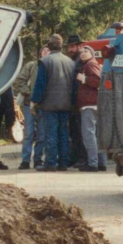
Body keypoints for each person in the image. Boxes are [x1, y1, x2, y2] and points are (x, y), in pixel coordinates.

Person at [31, 34, 75, 171]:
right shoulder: (70, 62)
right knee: (63, 134)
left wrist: (34, 101)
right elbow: (74, 86)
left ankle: (50, 163)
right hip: (66, 104)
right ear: (62, 46)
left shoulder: (45, 61)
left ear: (50, 46)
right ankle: (63, 163)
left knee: (51, 134)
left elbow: (40, 84)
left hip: (49, 105)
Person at [13, 46, 49, 170]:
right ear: (40, 53)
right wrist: (29, 93)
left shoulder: (52, 67)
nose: (46, 52)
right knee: (28, 133)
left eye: (49, 50)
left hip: (44, 106)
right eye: (44, 50)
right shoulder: (32, 65)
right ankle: (25, 160)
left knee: (42, 134)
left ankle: (38, 159)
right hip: (29, 105)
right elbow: (20, 80)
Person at [74, 45, 106, 172]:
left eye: (86, 51)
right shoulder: (91, 64)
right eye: (81, 51)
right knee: (97, 135)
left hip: (89, 104)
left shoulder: (89, 64)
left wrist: (84, 79)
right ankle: (101, 163)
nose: (83, 53)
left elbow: (99, 81)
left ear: (92, 53)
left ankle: (92, 163)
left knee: (89, 134)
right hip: (95, 103)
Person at [66, 34, 86, 167]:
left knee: (81, 131)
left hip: (80, 102)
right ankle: (74, 157)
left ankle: (83, 158)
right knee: (74, 131)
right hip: (74, 102)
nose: (70, 50)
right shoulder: (73, 61)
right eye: (69, 47)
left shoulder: (82, 62)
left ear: (80, 46)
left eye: (72, 47)